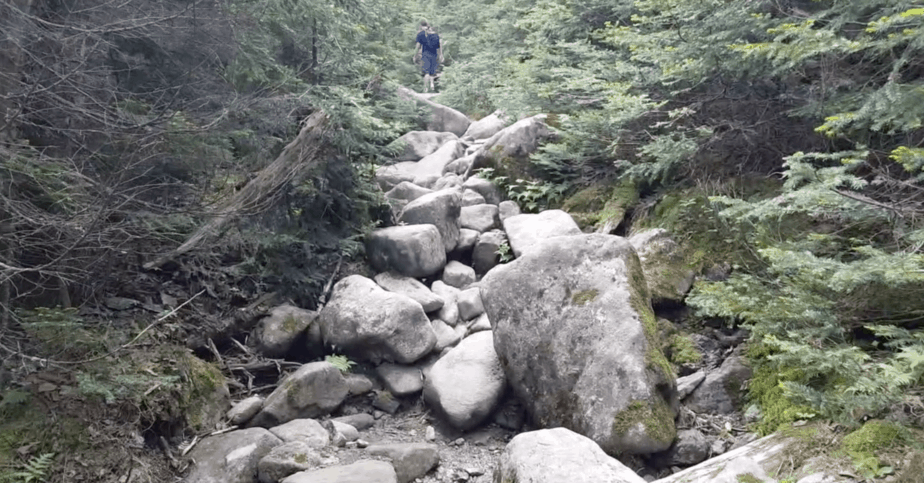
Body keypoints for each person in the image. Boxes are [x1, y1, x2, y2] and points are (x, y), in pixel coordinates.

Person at [412, 21, 443, 93]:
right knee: (432, 72)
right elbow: (439, 47)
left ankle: (425, 88)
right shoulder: (436, 36)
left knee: (426, 72)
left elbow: (417, 46)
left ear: (422, 26)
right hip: (434, 55)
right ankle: (432, 85)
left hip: (425, 55)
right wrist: (441, 55)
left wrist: (414, 55)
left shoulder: (421, 35)